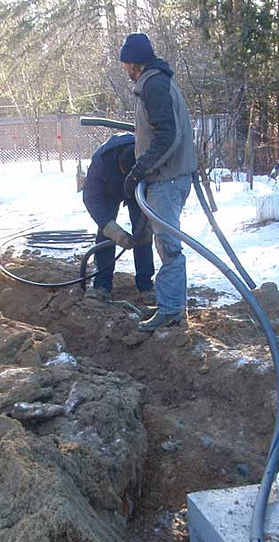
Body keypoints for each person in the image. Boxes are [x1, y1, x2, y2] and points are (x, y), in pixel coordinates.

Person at [119, 32, 197, 332]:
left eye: (126, 64)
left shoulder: (154, 85)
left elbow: (166, 135)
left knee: (169, 247)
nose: (125, 70)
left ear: (134, 63)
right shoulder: (156, 81)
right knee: (164, 244)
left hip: (166, 179)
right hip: (167, 177)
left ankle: (171, 311)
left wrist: (140, 169)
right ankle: (170, 303)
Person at [82, 133, 155, 303]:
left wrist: (147, 223)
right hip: (109, 191)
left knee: (143, 233)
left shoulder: (146, 155)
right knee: (105, 233)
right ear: (119, 165)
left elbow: (156, 188)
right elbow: (91, 198)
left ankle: (146, 285)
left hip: (138, 189)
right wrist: (114, 232)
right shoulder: (101, 163)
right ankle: (102, 285)